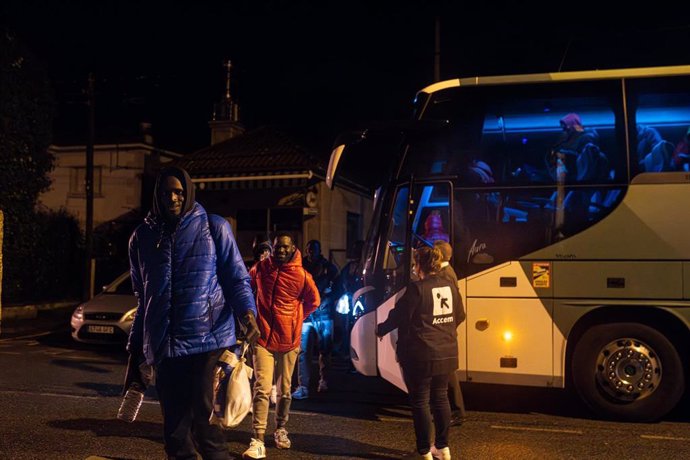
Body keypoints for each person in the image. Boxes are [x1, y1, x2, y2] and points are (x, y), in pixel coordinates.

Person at [126, 166, 260, 460]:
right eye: (166, 192)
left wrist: (247, 312)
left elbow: (236, 278)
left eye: (179, 192)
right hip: (164, 346)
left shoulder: (214, 227)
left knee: (206, 427)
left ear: (188, 193)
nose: (173, 198)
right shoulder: (141, 238)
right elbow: (143, 297)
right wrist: (137, 347)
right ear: (157, 196)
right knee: (174, 435)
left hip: (207, 342)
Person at [376, 246, 465, 460]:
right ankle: (443, 449)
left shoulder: (417, 289)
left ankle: (424, 451)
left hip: (421, 355)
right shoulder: (450, 286)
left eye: (415, 264)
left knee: (420, 401)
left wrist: (380, 329)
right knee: (441, 398)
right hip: (447, 352)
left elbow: (399, 316)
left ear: (419, 266)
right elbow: (460, 315)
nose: (414, 268)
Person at [243, 232, 320, 459]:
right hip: (264, 339)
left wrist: (297, 319)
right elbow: (245, 287)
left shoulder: (302, 275)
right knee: (262, 388)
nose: (281, 251)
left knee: (285, 391)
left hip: (289, 341)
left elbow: (314, 301)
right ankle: (257, 438)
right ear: (272, 247)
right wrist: (250, 317)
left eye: (286, 247)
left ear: (293, 248)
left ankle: (280, 429)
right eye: (278, 247)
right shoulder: (260, 268)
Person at [292, 239, 339, 400]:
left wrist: (326, 301)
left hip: (323, 315)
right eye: (309, 249)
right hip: (307, 316)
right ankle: (303, 386)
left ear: (319, 251)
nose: (311, 252)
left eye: (314, 249)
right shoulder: (300, 267)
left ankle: (323, 381)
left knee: (324, 351)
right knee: (304, 351)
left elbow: (338, 290)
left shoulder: (329, 268)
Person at [433, 240, 466, 428]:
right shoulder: (449, 272)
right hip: (447, 332)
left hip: (444, 333)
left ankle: (457, 411)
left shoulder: (444, 275)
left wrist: (446, 326)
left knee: (449, 374)